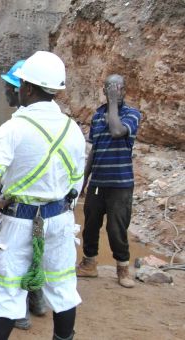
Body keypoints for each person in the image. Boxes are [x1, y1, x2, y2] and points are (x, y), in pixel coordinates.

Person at [0, 51, 85, 340]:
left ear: (29, 88)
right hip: (59, 220)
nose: (18, 89)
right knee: (62, 289)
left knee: (8, 294)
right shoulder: (73, 130)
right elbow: (77, 182)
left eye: (20, 84)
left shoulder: (14, 128)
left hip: (19, 223)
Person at [0, 60, 49, 331]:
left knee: (16, 256)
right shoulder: (48, 122)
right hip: (48, 205)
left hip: (23, 204)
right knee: (36, 250)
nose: (6, 92)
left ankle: (18, 313)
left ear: (22, 88)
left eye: (8, 87)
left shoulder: (20, 124)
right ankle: (37, 300)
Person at [77, 74, 141, 288]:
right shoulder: (97, 116)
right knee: (91, 225)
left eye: (118, 88)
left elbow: (116, 131)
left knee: (117, 228)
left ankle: (122, 268)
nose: (115, 92)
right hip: (98, 182)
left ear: (124, 90)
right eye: (110, 89)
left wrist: (112, 103)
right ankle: (89, 264)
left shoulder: (132, 114)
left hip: (120, 184)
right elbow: (94, 151)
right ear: (104, 91)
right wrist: (83, 182)